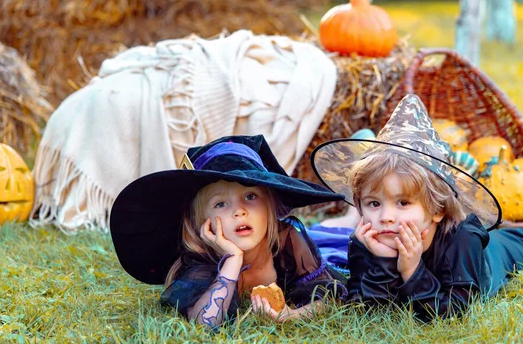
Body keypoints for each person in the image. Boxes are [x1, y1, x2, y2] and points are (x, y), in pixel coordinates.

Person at [310, 94, 523, 322]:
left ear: (436, 210)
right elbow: (368, 309)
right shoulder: (367, 238)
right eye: (373, 203)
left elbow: (455, 311)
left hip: (497, 254)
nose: (385, 217)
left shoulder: (463, 239)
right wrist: (382, 262)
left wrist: (412, 272)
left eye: (403, 202)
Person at [110, 135, 346, 328]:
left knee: (338, 239)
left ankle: (350, 214)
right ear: (202, 221)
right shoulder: (202, 260)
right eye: (221, 204)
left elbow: (330, 295)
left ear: (269, 207)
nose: (239, 211)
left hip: (315, 244)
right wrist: (232, 262)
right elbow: (205, 323)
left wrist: (291, 316)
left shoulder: (288, 238)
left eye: (250, 197)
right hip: (219, 259)